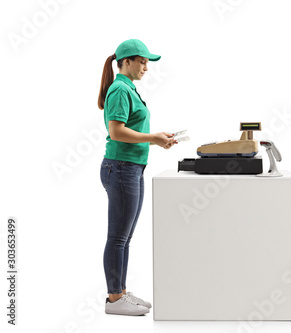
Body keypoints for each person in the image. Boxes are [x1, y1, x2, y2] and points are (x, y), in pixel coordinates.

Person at [97, 39, 177, 316]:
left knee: (124, 237)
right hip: (120, 168)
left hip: (131, 168)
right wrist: (153, 139)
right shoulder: (119, 89)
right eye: (142, 61)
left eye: (147, 62)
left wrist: (157, 139)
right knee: (118, 237)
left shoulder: (127, 88)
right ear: (126, 61)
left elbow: (129, 128)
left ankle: (119, 291)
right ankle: (114, 298)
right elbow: (116, 131)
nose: (146, 67)